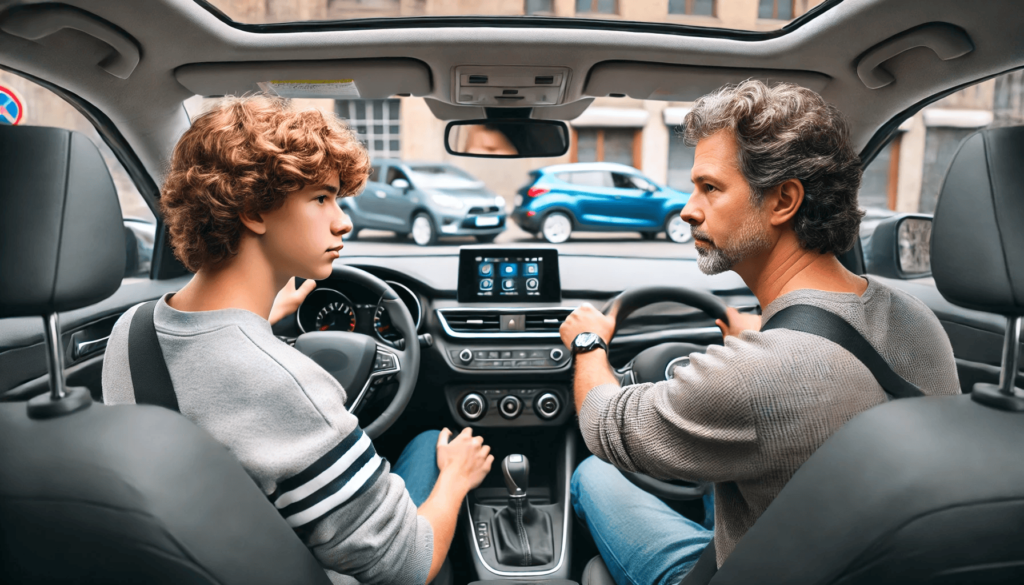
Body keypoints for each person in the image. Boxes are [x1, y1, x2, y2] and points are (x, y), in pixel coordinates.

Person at [560, 80, 961, 585]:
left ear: (783, 201)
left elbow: (604, 423)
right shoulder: (916, 319)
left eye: (710, 187)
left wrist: (588, 343)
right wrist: (768, 332)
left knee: (593, 474)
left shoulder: (758, 372)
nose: (687, 209)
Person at [102, 95, 493, 585]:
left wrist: (261, 318)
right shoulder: (289, 385)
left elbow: (215, 377)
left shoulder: (131, 332)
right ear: (253, 211)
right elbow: (409, 566)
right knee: (435, 444)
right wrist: (458, 477)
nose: (343, 221)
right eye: (321, 198)